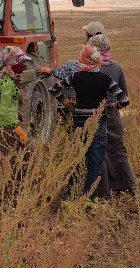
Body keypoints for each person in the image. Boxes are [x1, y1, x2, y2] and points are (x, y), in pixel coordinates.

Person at [49, 45, 130, 200]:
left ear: (82, 59)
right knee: (95, 161)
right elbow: (124, 100)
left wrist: (66, 103)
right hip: (98, 124)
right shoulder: (106, 80)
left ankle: (71, 195)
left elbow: (54, 89)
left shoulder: (75, 77)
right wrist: (111, 107)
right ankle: (89, 197)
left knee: (77, 159)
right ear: (98, 61)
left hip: (79, 123)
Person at [89, 34, 136, 196]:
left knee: (99, 151)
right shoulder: (116, 67)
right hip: (113, 114)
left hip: (95, 115)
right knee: (118, 149)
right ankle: (131, 186)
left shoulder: (90, 69)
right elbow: (124, 95)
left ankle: (103, 192)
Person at [37, 21, 106, 80]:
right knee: (71, 64)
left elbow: (69, 77)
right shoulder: (111, 63)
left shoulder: (86, 59)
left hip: (85, 90)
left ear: (88, 35)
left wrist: (49, 71)